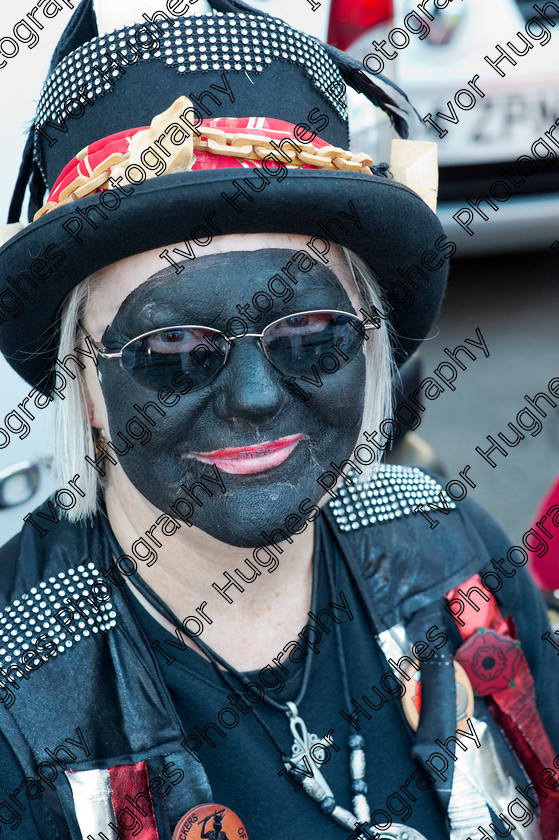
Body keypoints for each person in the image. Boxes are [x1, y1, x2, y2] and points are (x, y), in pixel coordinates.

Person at [0, 1, 558, 839]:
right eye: (175, 346)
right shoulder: (19, 683)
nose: (256, 397)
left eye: (309, 335)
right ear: (81, 376)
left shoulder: (453, 550)